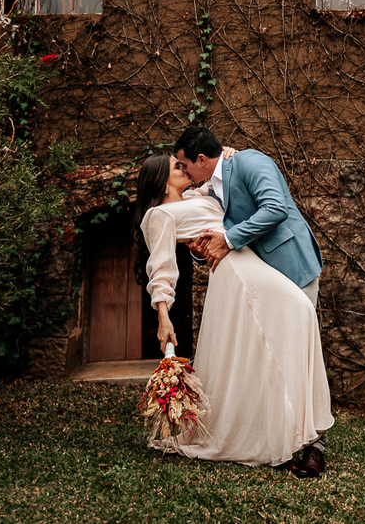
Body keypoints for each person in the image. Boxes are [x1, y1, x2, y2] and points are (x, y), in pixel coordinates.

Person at [136, 152, 334, 471]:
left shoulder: (200, 194)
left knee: (291, 326)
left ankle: (299, 434)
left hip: (250, 265)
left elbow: (223, 179)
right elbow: (161, 269)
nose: (184, 168)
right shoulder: (158, 215)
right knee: (295, 315)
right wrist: (163, 316)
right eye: (177, 166)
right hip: (234, 276)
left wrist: (228, 153)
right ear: (161, 182)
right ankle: (281, 435)